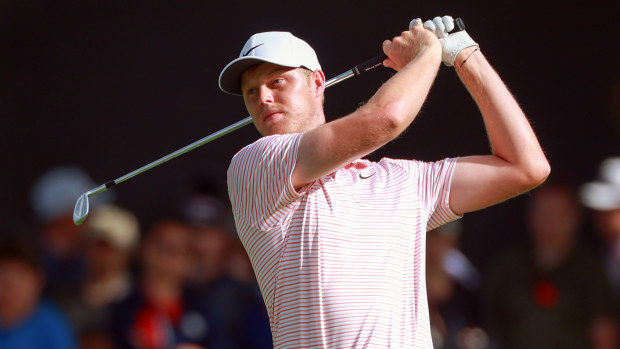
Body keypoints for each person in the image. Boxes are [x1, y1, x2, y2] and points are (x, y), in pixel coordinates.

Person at [220, 15, 550, 347]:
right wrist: (428, 53)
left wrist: (466, 55)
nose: (262, 98)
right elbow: (387, 118)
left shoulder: (404, 182)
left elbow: (526, 167)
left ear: (317, 82)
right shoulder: (255, 166)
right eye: (251, 91)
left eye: (277, 81)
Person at [485, 182, 618, 349]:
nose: (549, 221)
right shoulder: (507, 267)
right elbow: (489, 327)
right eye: (543, 212)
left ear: (575, 217)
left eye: (557, 213)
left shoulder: (590, 271)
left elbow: (604, 334)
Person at [0, 235, 79, 349]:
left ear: (37, 282)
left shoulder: (52, 327)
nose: (6, 293)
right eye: (1, 281)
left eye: (13, 283)